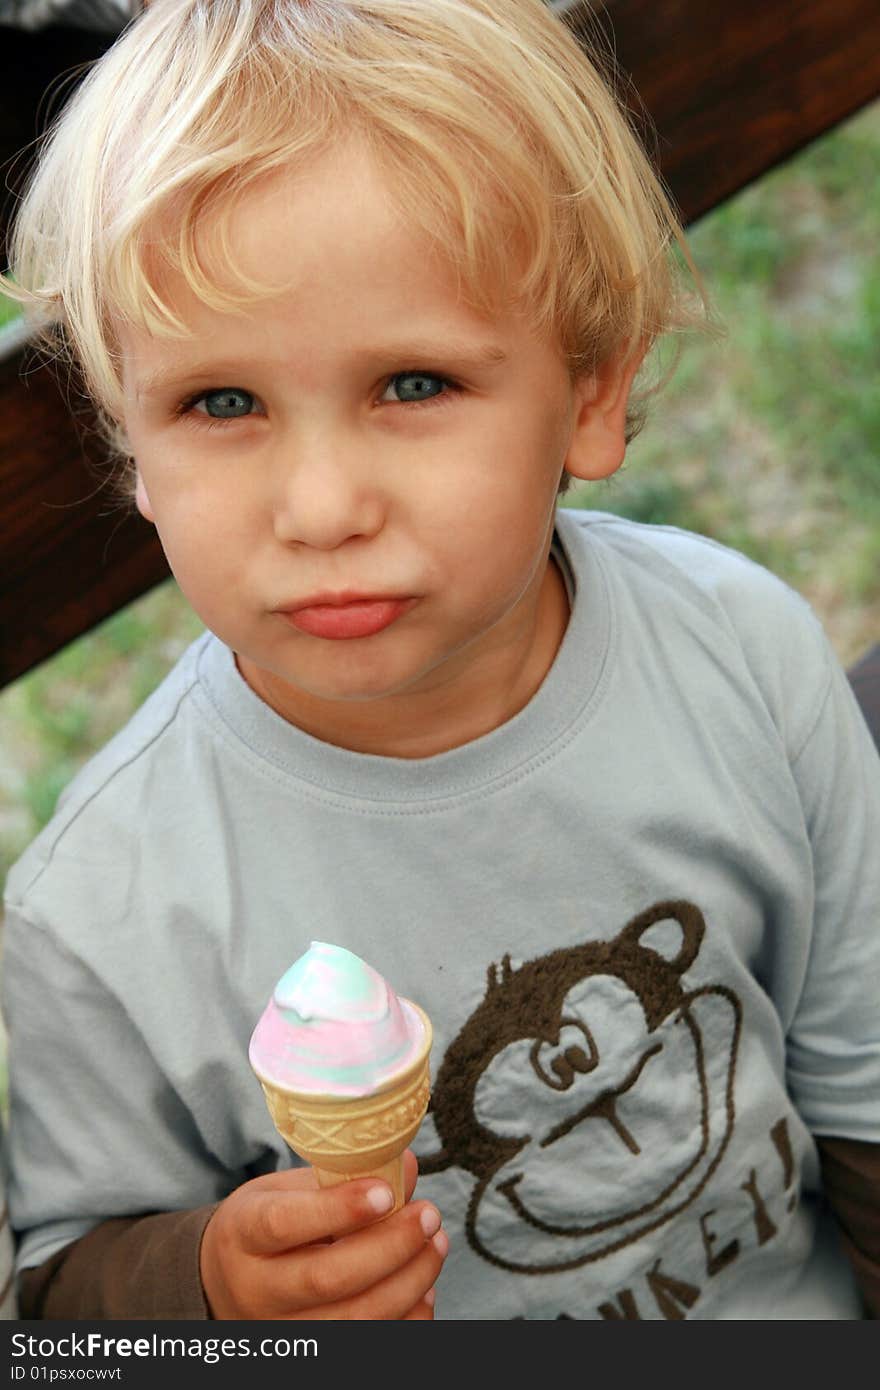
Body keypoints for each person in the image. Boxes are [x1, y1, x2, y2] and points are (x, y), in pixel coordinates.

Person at [1, 0, 878, 1321]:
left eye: (412, 383)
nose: (321, 506)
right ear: (130, 437)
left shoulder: (742, 659)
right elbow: (66, 1293)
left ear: (588, 390)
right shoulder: (107, 911)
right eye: (219, 403)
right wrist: (207, 1281)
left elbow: (863, 1090)